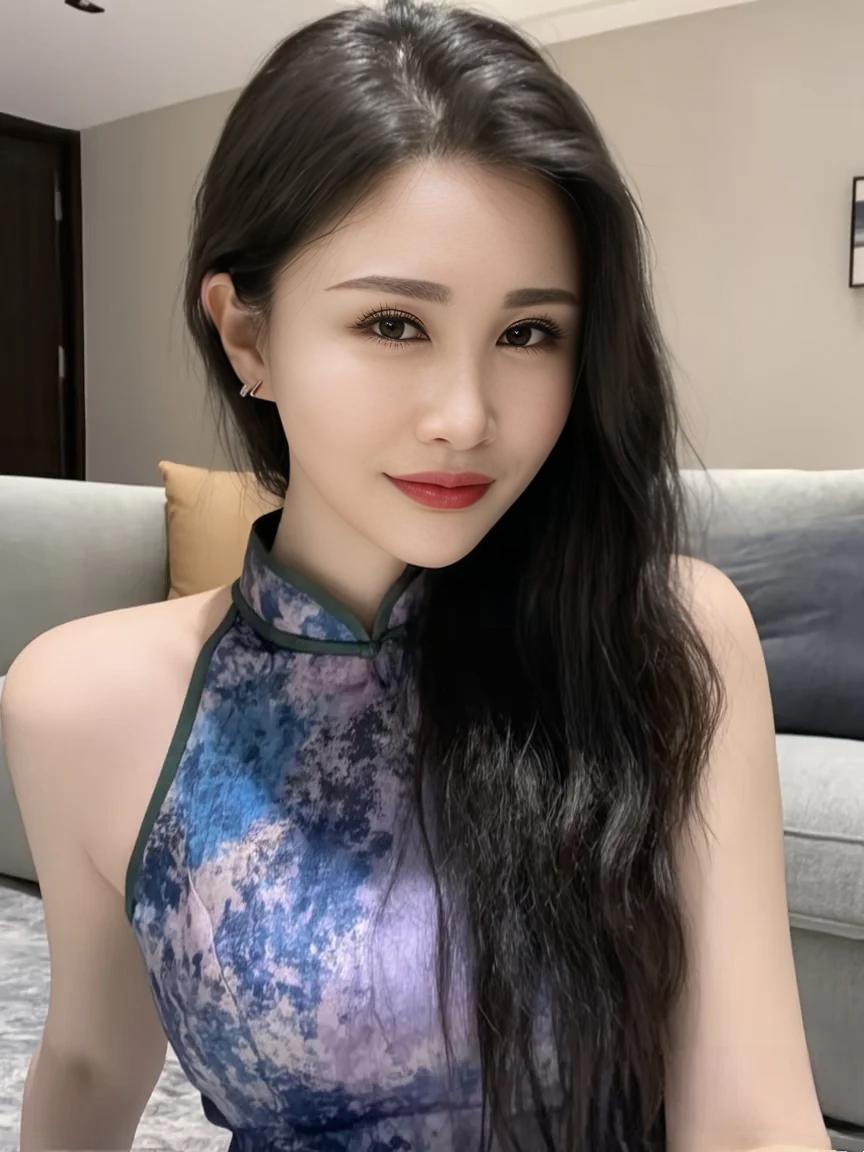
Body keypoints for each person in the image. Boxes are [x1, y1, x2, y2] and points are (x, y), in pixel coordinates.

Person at [3, 1, 833, 1151]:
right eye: (394, 323)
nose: (466, 416)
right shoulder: (78, 700)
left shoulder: (666, 639)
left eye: (528, 333)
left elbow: (748, 1120)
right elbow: (92, 1061)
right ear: (247, 336)